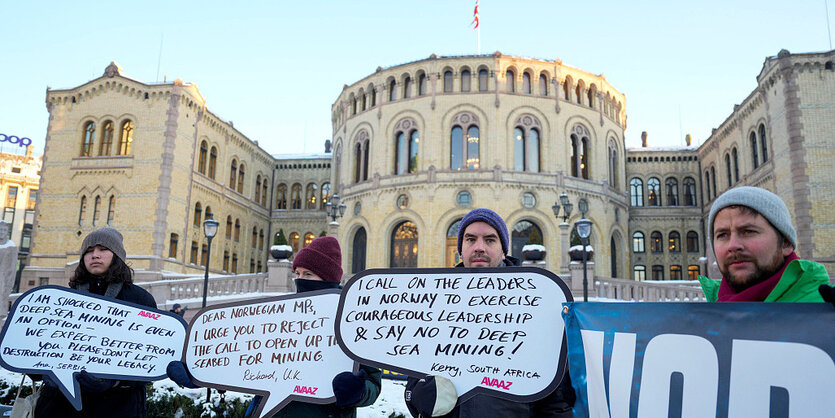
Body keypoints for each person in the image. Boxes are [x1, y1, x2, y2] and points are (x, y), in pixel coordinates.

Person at [169, 236, 381, 417]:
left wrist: (358, 391)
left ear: (327, 279)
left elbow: (373, 382)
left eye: (308, 274)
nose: (300, 280)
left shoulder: (355, 319)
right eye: (297, 273)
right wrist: (198, 374)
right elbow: (239, 360)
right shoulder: (281, 317)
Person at [405, 208, 576, 417]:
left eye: (489, 240)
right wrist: (423, 393)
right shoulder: (434, 306)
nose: (479, 247)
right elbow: (414, 391)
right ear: (460, 250)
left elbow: (557, 401)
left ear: (504, 250)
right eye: (470, 239)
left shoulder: (536, 306)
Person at [35, 227, 157, 418]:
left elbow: (149, 358)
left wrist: (114, 381)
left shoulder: (139, 300)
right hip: (60, 407)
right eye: (89, 251)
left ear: (116, 256)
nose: (95, 255)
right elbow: (38, 348)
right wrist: (40, 370)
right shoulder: (61, 299)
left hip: (117, 408)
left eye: (103, 249)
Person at [699, 186, 829, 302]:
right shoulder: (708, 313)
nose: (733, 245)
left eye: (748, 232)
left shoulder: (823, 309)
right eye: (722, 235)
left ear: (786, 243)